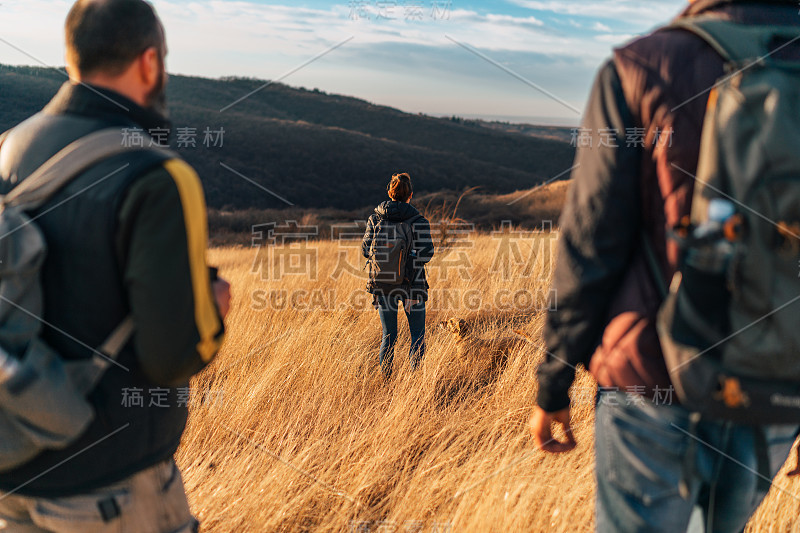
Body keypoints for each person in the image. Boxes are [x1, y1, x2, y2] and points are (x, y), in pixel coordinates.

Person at [529, 1, 800, 532]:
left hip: (654, 381)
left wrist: (553, 381)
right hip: (775, 380)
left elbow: (590, 242)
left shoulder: (643, 65)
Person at [0, 0, 230, 531]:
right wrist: (213, 311)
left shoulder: (10, 150)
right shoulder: (160, 176)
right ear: (150, 63)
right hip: (110, 488)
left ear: (72, 58)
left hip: (12, 470)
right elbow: (172, 355)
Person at [362, 173, 434, 378]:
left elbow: (366, 250)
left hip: (383, 284)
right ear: (410, 195)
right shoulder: (419, 221)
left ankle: (385, 379)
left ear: (389, 193)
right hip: (413, 284)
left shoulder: (375, 218)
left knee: (389, 335)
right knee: (417, 335)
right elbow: (427, 253)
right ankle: (415, 381)